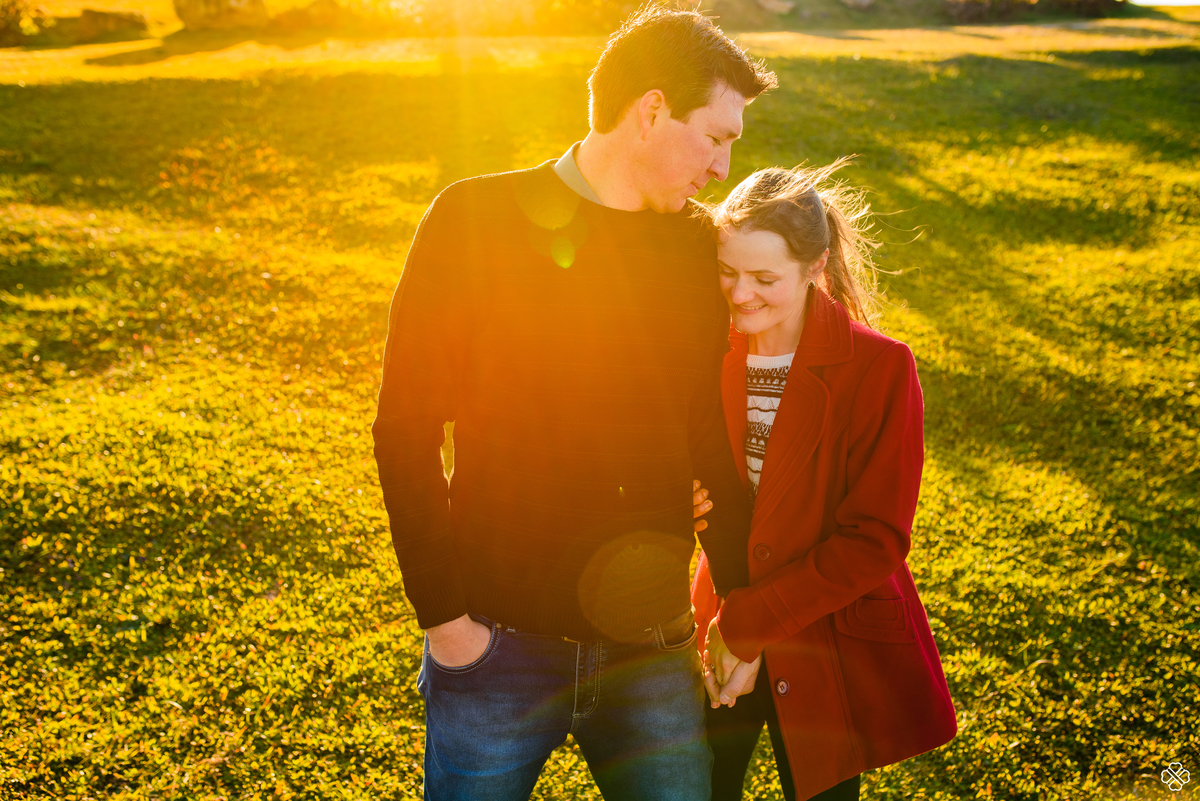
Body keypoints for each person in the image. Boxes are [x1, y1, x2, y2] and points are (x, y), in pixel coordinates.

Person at [371, 6, 776, 800]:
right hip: (494, 647)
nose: (725, 167)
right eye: (716, 136)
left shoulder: (701, 252)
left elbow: (704, 428)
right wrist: (446, 623)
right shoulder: (470, 222)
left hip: (653, 651)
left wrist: (737, 601)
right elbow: (405, 428)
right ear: (651, 111)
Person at [690, 159, 959, 800]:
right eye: (727, 272)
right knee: (701, 785)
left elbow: (874, 539)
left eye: (764, 278)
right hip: (719, 606)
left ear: (816, 267)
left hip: (823, 631)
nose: (739, 293)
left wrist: (749, 627)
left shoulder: (881, 367)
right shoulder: (705, 352)